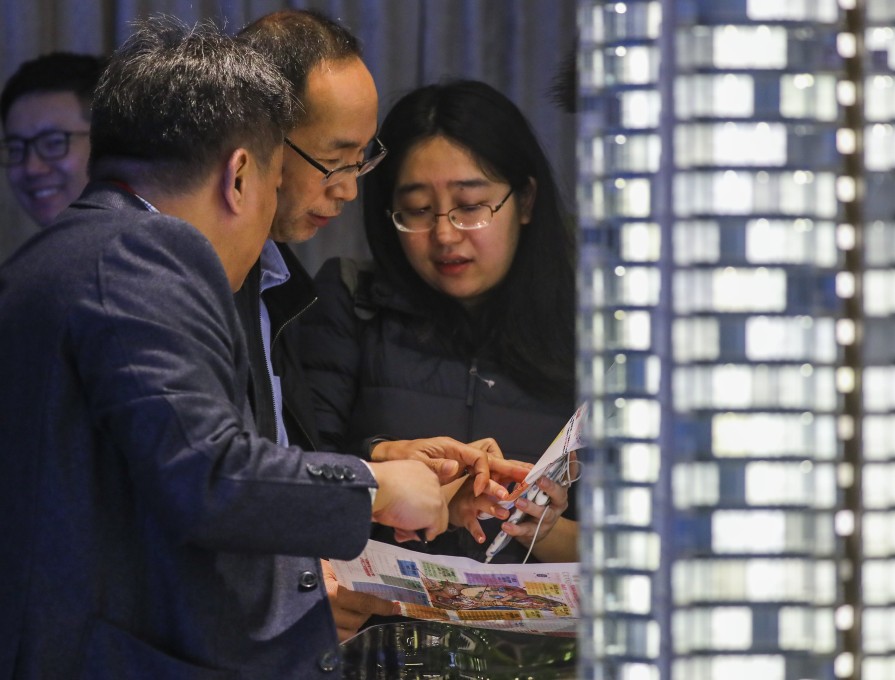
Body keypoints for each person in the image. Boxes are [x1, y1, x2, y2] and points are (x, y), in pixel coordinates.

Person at [0, 16, 454, 679]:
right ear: (240, 175)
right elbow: (208, 476)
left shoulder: (73, 247)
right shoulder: (147, 253)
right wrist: (377, 486)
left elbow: (150, 472)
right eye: (276, 183)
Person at [233, 11, 524, 642]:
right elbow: (215, 480)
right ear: (252, 147)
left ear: (524, 202)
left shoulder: (273, 279)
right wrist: (373, 480)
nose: (346, 191)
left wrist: (388, 465)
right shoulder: (299, 290)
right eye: (416, 209)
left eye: (360, 163)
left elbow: (277, 458)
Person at [300, 79, 580, 633]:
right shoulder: (352, 301)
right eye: (418, 210)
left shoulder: (592, 331)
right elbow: (293, 470)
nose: (446, 236)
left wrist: (544, 530)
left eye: (472, 207)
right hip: (371, 647)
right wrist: (381, 458)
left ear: (524, 201)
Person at [1, 51, 106, 226]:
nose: (32, 169)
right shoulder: (37, 253)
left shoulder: (146, 248)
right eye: (16, 149)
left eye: (53, 143)